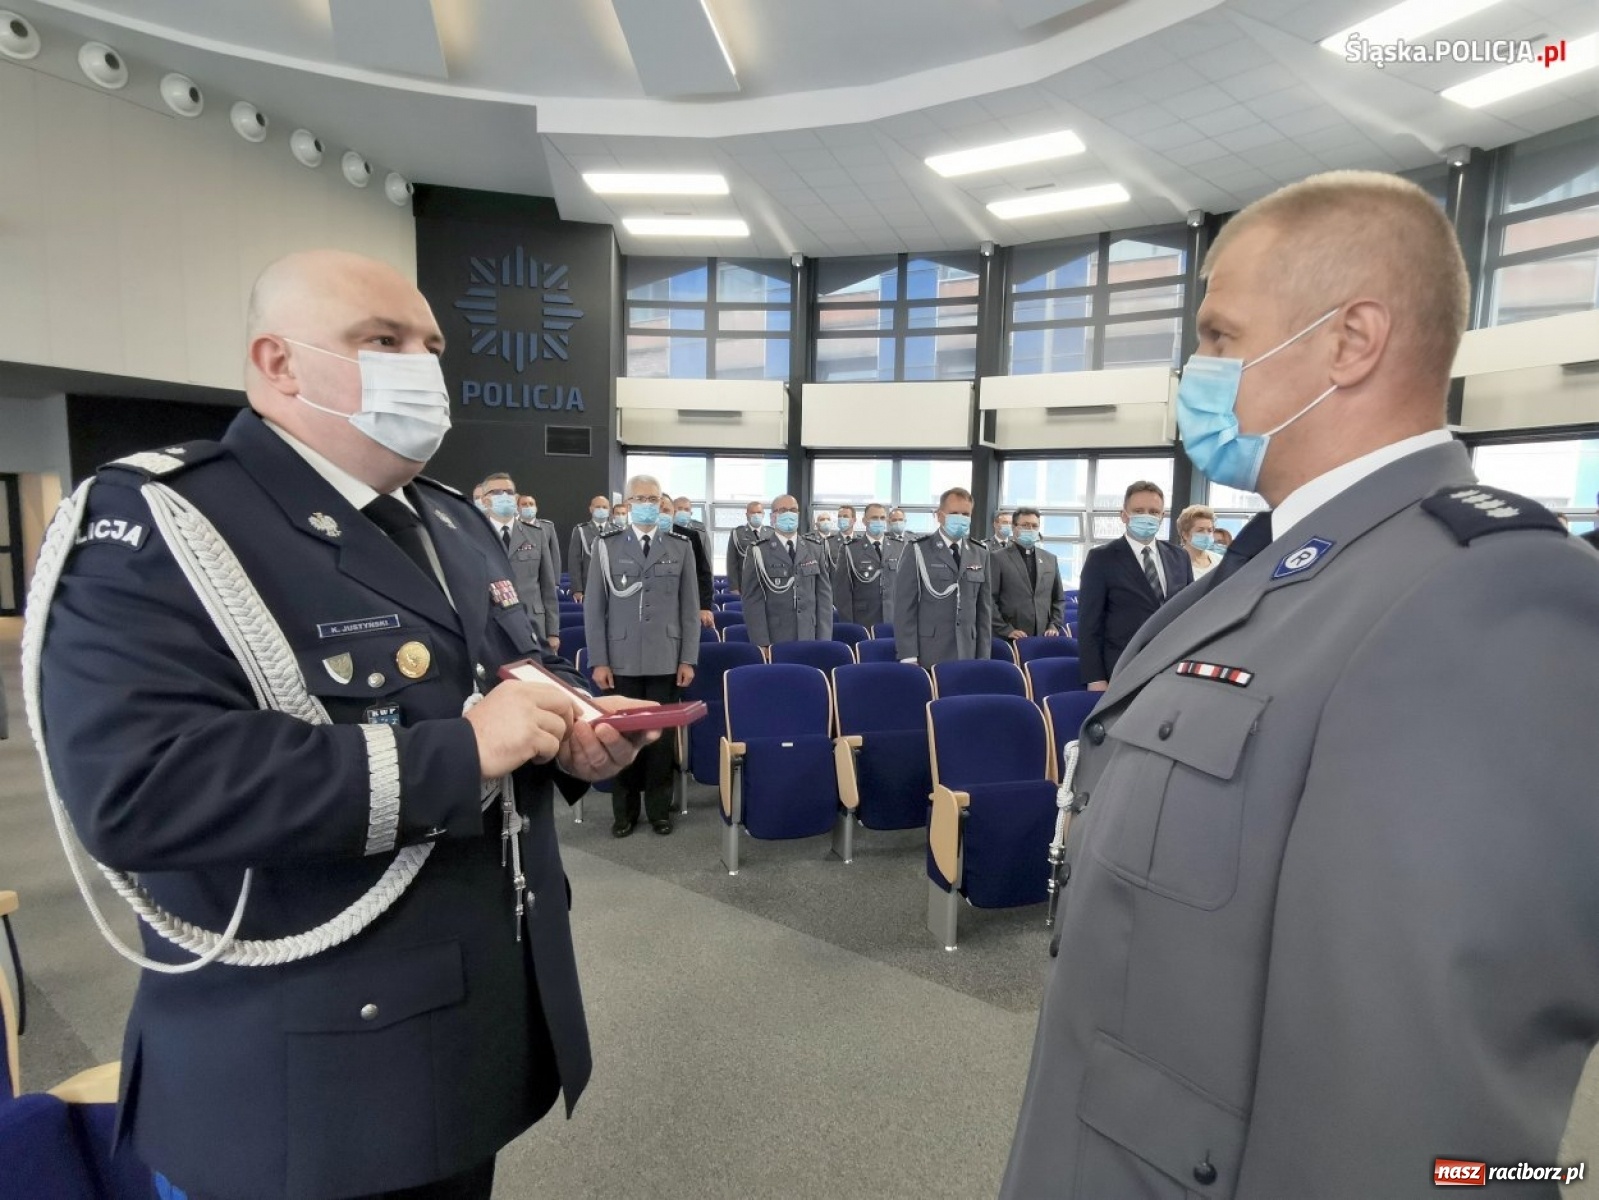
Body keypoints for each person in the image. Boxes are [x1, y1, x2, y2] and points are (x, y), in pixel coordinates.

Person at [1001, 172, 1599, 1199]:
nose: (1197, 370)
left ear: (1349, 341)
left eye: (1220, 336)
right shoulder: (1282, 563)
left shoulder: (1482, 594)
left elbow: (1406, 1115)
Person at [30, 249, 655, 1200]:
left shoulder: (449, 521)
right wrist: (463, 751)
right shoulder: (163, 520)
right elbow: (142, 790)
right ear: (278, 362)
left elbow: (506, 671)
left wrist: (575, 729)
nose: (423, 367)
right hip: (307, 1076)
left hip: (463, 1034)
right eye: (383, 340)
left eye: (431, 346)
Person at [584, 475, 699, 837]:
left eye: (653, 499)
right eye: (640, 499)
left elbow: (690, 608)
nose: (648, 505)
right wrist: (599, 660)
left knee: (661, 741)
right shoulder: (606, 546)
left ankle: (659, 811)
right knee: (623, 737)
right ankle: (625, 812)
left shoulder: (680, 546)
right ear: (628, 503)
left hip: (667, 656)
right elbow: (594, 609)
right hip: (621, 659)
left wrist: (688, 658)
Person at [1076, 480, 1192, 692]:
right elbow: (1089, 625)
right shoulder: (1101, 558)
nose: (1147, 516)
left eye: (1154, 512)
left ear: (1162, 516)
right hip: (1122, 667)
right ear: (1124, 515)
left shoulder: (1179, 557)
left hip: (1172, 666)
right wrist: (1095, 678)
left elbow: (1190, 614)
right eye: (1139, 511)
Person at [894, 487, 992, 667]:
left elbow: (984, 610)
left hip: (968, 651)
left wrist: (984, 655)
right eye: (954, 513)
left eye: (965, 514)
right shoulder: (918, 550)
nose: (960, 518)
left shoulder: (980, 552)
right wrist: (908, 655)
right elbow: (904, 607)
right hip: (929, 651)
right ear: (940, 516)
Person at [478, 472, 560, 652]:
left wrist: (553, 631)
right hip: (492, 624)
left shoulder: (536, 534)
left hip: (533, 622)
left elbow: (547, 586)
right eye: (496, 492)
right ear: (484, 500)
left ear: (516, 498)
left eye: (508, 492)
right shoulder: (474, 535)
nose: (504, 496)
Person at [740, 494, 832, 648]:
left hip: (809, 635)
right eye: (783, 510)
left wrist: (824, 641)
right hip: (776, 638)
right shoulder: (759, 551)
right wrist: (762, 643)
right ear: (772, 517)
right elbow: (752, 601)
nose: (789, 514)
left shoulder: (815, 548)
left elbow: (824, 598)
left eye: (793, 510)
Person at [990, 507, 1064, 641]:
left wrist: (1054, 625)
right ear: (1014, 527)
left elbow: (1058, 598)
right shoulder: (997, 558)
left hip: (1043, 636)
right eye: (1025, 525)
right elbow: (989, 599)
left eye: (1035, 526)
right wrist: (1005, 629)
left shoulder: (1050, 559)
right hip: (1009, 636)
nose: (1030, 529)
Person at [835, 502, 902, 628]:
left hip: (893, 619)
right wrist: (849, 627)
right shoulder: (850, 549)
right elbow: (843, 593)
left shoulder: (899, 547)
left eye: (882, 518)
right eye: (874, 518)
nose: (879, 521)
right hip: (863, 620)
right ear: (864, 521)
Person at [670, 496, 717, 631]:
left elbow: (705, 567)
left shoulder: (698, 532)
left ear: (691, 512)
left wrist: (706, 602)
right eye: (679, 509)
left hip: (692, 590)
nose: (683, 512)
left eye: (686, 509)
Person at [567, 494, 611, 604]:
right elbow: (574, 562)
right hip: (588, 586)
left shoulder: (616, 531)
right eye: (598, 507)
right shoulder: (580, 530)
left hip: (612, 586)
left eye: (604, 507)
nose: (601, 510)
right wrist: (577, 589)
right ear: (591, 509)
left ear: (609, 510)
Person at [1176, 502, 1225, 580]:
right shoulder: (1174, 563)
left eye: (1209, 530)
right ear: (1185, 535)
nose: (1206, 534)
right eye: (1200, 530)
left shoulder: (1219, 561)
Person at [517, 492, 562, 577]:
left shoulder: (547, 526)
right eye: (524, 504)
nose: (528, 506)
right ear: (518, 508)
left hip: (543, 575)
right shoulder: (512, 527)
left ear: (536, 508)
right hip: (520, 576)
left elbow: (554, 555)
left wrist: (555, 580)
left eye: (531, 504)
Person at [725, 501, 765, 594]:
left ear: (763, 514)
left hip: (767, 584)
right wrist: (734, 587)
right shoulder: (737, 533)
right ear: (747, 515)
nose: (756, 515)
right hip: (745, 584)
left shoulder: (771, 533)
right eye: (753, 512)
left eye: (759, 512)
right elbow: (731, 562)